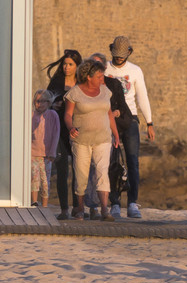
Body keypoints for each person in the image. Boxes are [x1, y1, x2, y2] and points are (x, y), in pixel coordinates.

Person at [103, 35, 155, 220]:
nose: (119, 58)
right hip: (109, 118)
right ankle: (115, 203)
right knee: (112, 161)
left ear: (129, 53)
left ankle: (132, 202)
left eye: (122, 55)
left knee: (133, 161)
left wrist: (149, 122)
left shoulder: (135, 71)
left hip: (130, 117)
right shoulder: (105, 68)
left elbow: (142, 96)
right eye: (116, 54)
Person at [64, 57, 119, 220]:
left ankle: (104, 209)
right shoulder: (74, 93)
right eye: (99, 76)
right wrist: (70, 127)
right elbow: (68, 115)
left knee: (102, 172)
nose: (102, 79)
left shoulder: (105, 91)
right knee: (81, 175)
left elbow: (109, 114)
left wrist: (115, 134)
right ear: (88, 77)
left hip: (103, 138)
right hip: (81, 140)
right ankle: (80, 208)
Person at [45, 51, 82, 219]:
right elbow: (45, 102)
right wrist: (53, 105)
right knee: (61, 170)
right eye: (65, 64)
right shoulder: (56, 81)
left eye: (70, 64)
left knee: (78, 170)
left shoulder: (81, 83)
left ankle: (77, 207)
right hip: (59, 128)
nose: (66, 67)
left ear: (77, 66)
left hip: (77, 129)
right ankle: (64, 209)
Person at [32, 89, 59, 207]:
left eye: (43, 101)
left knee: (45, 180)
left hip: (46, 154)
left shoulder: (52, 115)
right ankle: (34, 202)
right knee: (34, 178)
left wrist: (52, 152)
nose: (40, 104)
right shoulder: (31, 115)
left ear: (48, 102)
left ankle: (44, 205)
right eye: (37, 101)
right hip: (32, 153)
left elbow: (56, 134)